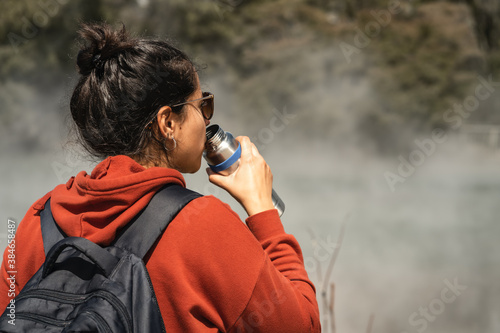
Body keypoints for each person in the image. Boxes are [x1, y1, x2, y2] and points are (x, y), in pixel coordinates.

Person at [0, 23, 320, 332]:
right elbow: (303, 326)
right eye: (202, 105)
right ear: (168, 123)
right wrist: (263, 211)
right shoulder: (204, 224)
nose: (208, 118)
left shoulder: (37, 221)